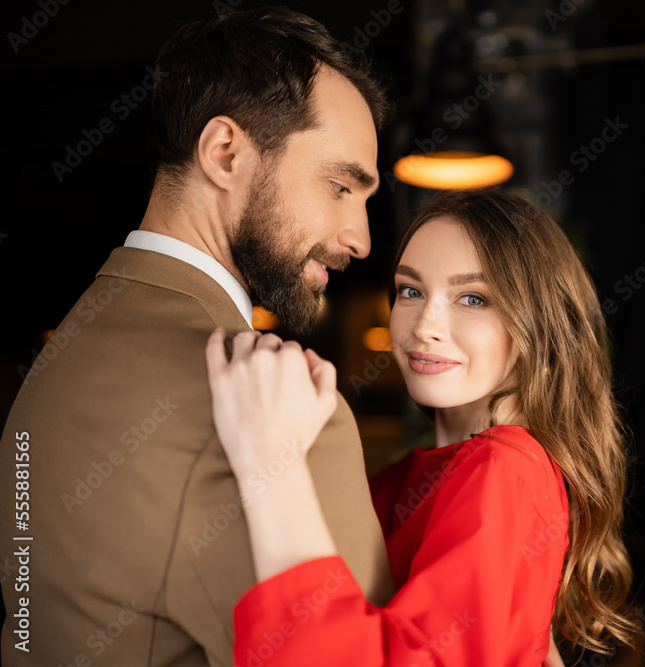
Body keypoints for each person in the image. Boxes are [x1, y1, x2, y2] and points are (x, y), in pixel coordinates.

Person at [0, 8, 396, 665]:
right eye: (339, 185)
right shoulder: (285, 416)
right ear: (224, 153)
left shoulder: (58, 362)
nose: (361, 236)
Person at [205, 188, 642, 665]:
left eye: (472, 298)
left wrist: (273, 463)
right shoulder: (425, 477)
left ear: (540, 325)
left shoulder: (504, 469)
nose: (424, 324)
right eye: (411, 291)